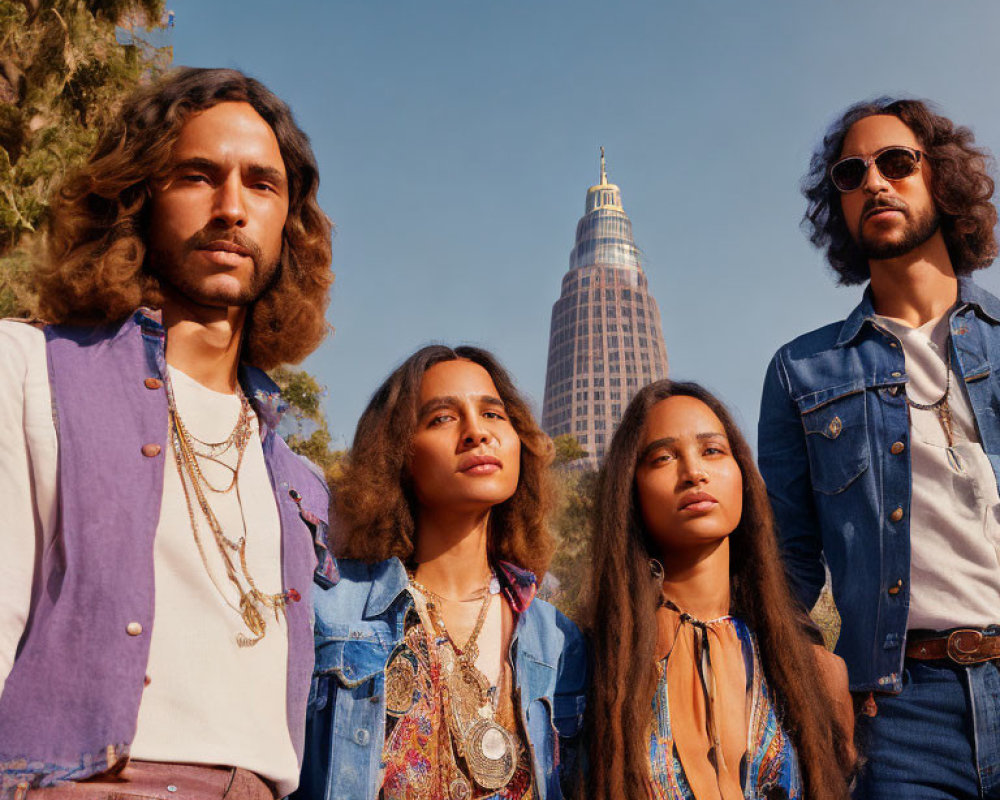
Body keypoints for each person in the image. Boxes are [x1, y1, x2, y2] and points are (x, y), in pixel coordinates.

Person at [0, 68, 334, 799]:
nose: (231, 209)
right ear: (140, 198)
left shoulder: (299, 483)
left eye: (262, 184)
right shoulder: (28, 371)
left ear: (290, 223)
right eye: (197, 176)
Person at [759, 97, 1000, 798]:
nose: (874, 183)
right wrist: (812, 665)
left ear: (941, 180)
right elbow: (787, 564)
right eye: (850, 174)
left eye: (897, 163)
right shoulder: (802, 373)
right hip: (899, 716)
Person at [295, 345, 586, 800]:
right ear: (398, 454)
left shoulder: (558, 641)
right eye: (442, 418)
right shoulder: (332, 608)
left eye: (493, 414)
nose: (476, 433)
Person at [587, 380, 851, 800]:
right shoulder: (595, 667)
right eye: (663, 457)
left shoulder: (817, 674)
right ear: (629, 490)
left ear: (742, 474)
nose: (694, 472)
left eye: (712, 451)